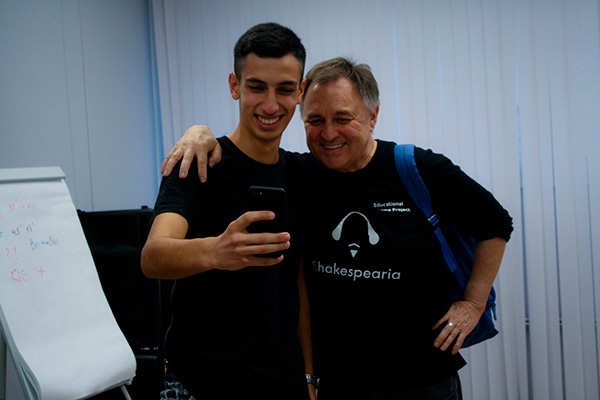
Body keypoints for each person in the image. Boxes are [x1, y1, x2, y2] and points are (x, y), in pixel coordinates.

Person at [163, 57, 513, 399]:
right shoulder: (302, 175)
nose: (328, 133)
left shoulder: (417, 169)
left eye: (342, 118)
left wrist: (473, 303)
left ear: (372, 116)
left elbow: (496, 223)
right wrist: (198, 133)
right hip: (339, 381)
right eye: (315, 120)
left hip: (421, 379)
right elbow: (243, 155)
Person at [141, 23, 315, 400]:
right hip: (201, 382)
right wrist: (216, 252)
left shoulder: (302, 174)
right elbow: (153, 256)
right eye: (257, 87)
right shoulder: (199, 164)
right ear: (235, 86)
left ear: (301, 91)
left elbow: (298, 279)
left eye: (285, 89)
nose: (271, 105)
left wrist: (308, 376)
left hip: (281, 383)